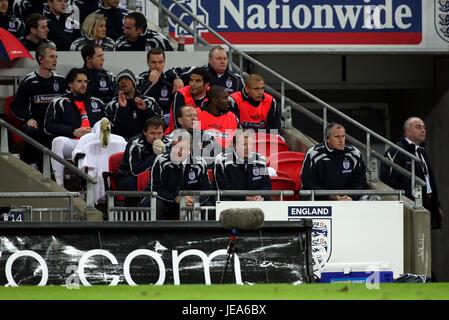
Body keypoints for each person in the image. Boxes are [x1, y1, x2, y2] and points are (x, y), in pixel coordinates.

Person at [380, 117, 444, 230]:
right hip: (407, 208)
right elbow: (387, 180)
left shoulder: (421, 151)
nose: (423, 130)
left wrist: (436, 205)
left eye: (424, 127)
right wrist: (403, 204)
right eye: (418, 127)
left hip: (426, 206)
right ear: (408, 131)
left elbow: (429, 180)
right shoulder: (396, 150)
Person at [44, 68, 105, 186]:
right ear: (70, 84)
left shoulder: (97, 102)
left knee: (101, 124)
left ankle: (93, 188)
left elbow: (107, 125)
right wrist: (73, 131)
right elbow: (48, 126)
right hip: (72, 142)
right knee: (57, 141)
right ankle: (59, 185)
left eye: (86, 82)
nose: (83, 85)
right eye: (79, 81)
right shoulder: (59, 102)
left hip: (92, 142)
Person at [11, 42, 65, 168]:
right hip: (36, 124)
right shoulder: (28, 80)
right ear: (41, 59)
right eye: (51, 57)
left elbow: (65, 105)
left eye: (56, 57)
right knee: (30, 130)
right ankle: (32, 164)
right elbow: (16, 106)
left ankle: (59, 170)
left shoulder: (61, 80)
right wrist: (27, 118)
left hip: (54, 124)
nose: (55, 60)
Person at [141, 130, 211, 220]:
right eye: (174, 145)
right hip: (166, 200)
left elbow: (206, 189)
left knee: (209, 206)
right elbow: (155, 189)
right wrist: (175, 198)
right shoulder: (161, 160)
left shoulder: (200, 163)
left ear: (189, 149)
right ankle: (157, 233)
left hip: (190, 201)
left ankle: (204, 234)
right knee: (156, 204)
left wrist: (195, 200)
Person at [301, 122, 368, 200]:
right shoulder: (314, 153)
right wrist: (331, 197)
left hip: (348, 201)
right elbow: (307, 183)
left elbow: (361, 182)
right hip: (320, 201)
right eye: (337, 137)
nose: (341, 140)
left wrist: (350, 197)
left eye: (343, 136)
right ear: (327, 138)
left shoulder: (354, 153)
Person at [214, 129, 271, 201]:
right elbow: (223, 188)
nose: (248, 148)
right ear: (235, 145)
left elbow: (266, 185)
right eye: (244, 144)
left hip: (257, 201)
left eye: (250, 144)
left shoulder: (260, 159)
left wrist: (259, 196)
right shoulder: (221, 160)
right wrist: (246, 198)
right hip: (232, 202)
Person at [105, 69, 163, 140]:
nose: (123, 81)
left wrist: (145, 110)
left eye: (127, 79)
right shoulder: (112, 105)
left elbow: (160, 124)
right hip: (122, 143)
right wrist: (122, 109)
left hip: (145, 143)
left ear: (134, 83)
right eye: (120, 80)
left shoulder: (148, 101)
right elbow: (113, 131)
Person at [116, 116, 165, 191]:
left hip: (155, 175)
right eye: (152, 133)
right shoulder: (135, 144)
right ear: (145, 132)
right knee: (145, 181)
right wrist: (156, 154)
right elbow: (136, 172)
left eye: (159, 133)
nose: (156, 137)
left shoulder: (168, 142)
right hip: (128, 177)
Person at [137, 48, 184, 119]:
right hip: (144, 120)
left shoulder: (170, 80)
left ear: (164, 62)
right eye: (153, 62)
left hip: (165, 122)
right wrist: (150, 83)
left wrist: (177, 78)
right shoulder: (140, 79)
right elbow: (137, 100)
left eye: (160, 62)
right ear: (148, 63)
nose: (157, 66)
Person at [176, 46, 244, 93]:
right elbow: (174, 72)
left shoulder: (236, 78)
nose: (222, 62)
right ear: (210, 60)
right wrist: (177, 79)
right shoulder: (198, 72)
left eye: (225, 59)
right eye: (218, 59)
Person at [166, 67, 209, 134]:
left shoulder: (212, 95)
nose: (192, 84)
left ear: (206, 85)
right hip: (178, 135)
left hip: (202, 136)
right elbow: (177, 122)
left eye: (198, 81)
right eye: (191, 80)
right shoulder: (180, 94)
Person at [199, 85, 239, 151]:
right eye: (225, 98)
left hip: (228, 158)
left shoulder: (232, 117)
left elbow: (238, 142)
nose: (229, 100)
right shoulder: (197, 115)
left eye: (228, 97)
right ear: (215, 101)